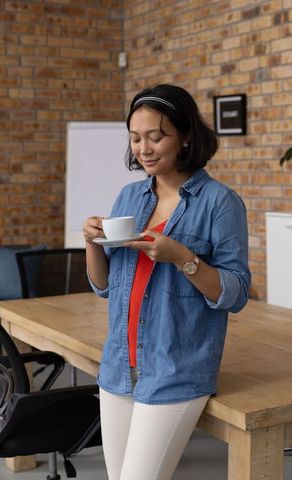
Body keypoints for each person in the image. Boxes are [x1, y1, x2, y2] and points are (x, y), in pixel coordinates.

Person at [83, 84, 251, 480]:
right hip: (118, 368)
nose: (144, 148)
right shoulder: (128, 196)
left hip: (176, 371)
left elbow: (236, 292)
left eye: (157, 137)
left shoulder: (219, 202)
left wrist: (184, 259)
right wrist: (90, 243)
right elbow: (103, 286)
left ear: (185, 137)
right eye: (136, 138)